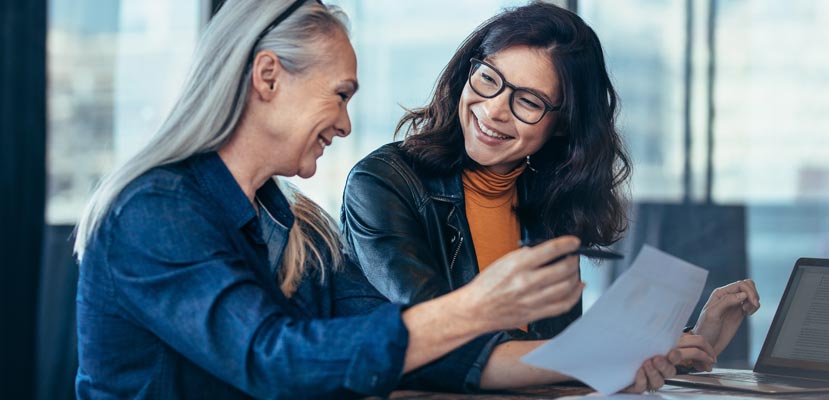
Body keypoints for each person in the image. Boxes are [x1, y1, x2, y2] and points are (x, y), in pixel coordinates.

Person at [72, 1, 676, 398]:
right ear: (267, 77)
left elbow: (416, 351)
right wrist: (474, 308)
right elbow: (271, 361)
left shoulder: (289, 219)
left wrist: (614, 357)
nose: (345, 124)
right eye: (339, 94)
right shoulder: (154, 211)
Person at [341, 2, 759, 390]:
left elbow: (557, 359)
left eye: (528, 101)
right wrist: (609, 356)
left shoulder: (550, 202)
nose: (494, 109)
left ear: (561, 125)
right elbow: (440, 341)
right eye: (488, 78)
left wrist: (685, 345)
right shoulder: (384, 182)